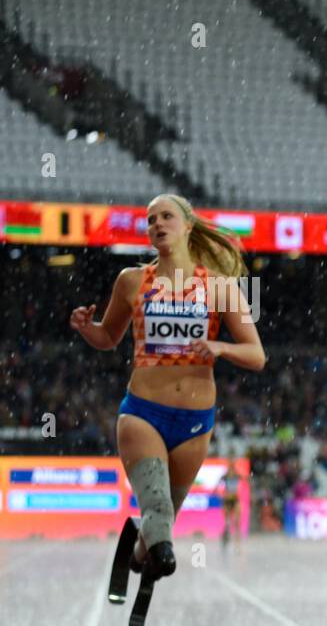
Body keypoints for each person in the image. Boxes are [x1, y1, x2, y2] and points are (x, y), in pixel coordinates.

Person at [70, 193, 266, 581]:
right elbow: (109, 336)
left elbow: (257, 355)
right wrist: (86, 328)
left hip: (194, 423)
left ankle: (140, 553)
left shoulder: (220, 288)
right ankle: (151, 552)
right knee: (159, 518)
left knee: (161, 525)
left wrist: (220, 346)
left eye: (166, 217)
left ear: (188, 226)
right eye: (150, 219)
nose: (156, 224)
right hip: (143, 413)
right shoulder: (131, 281)